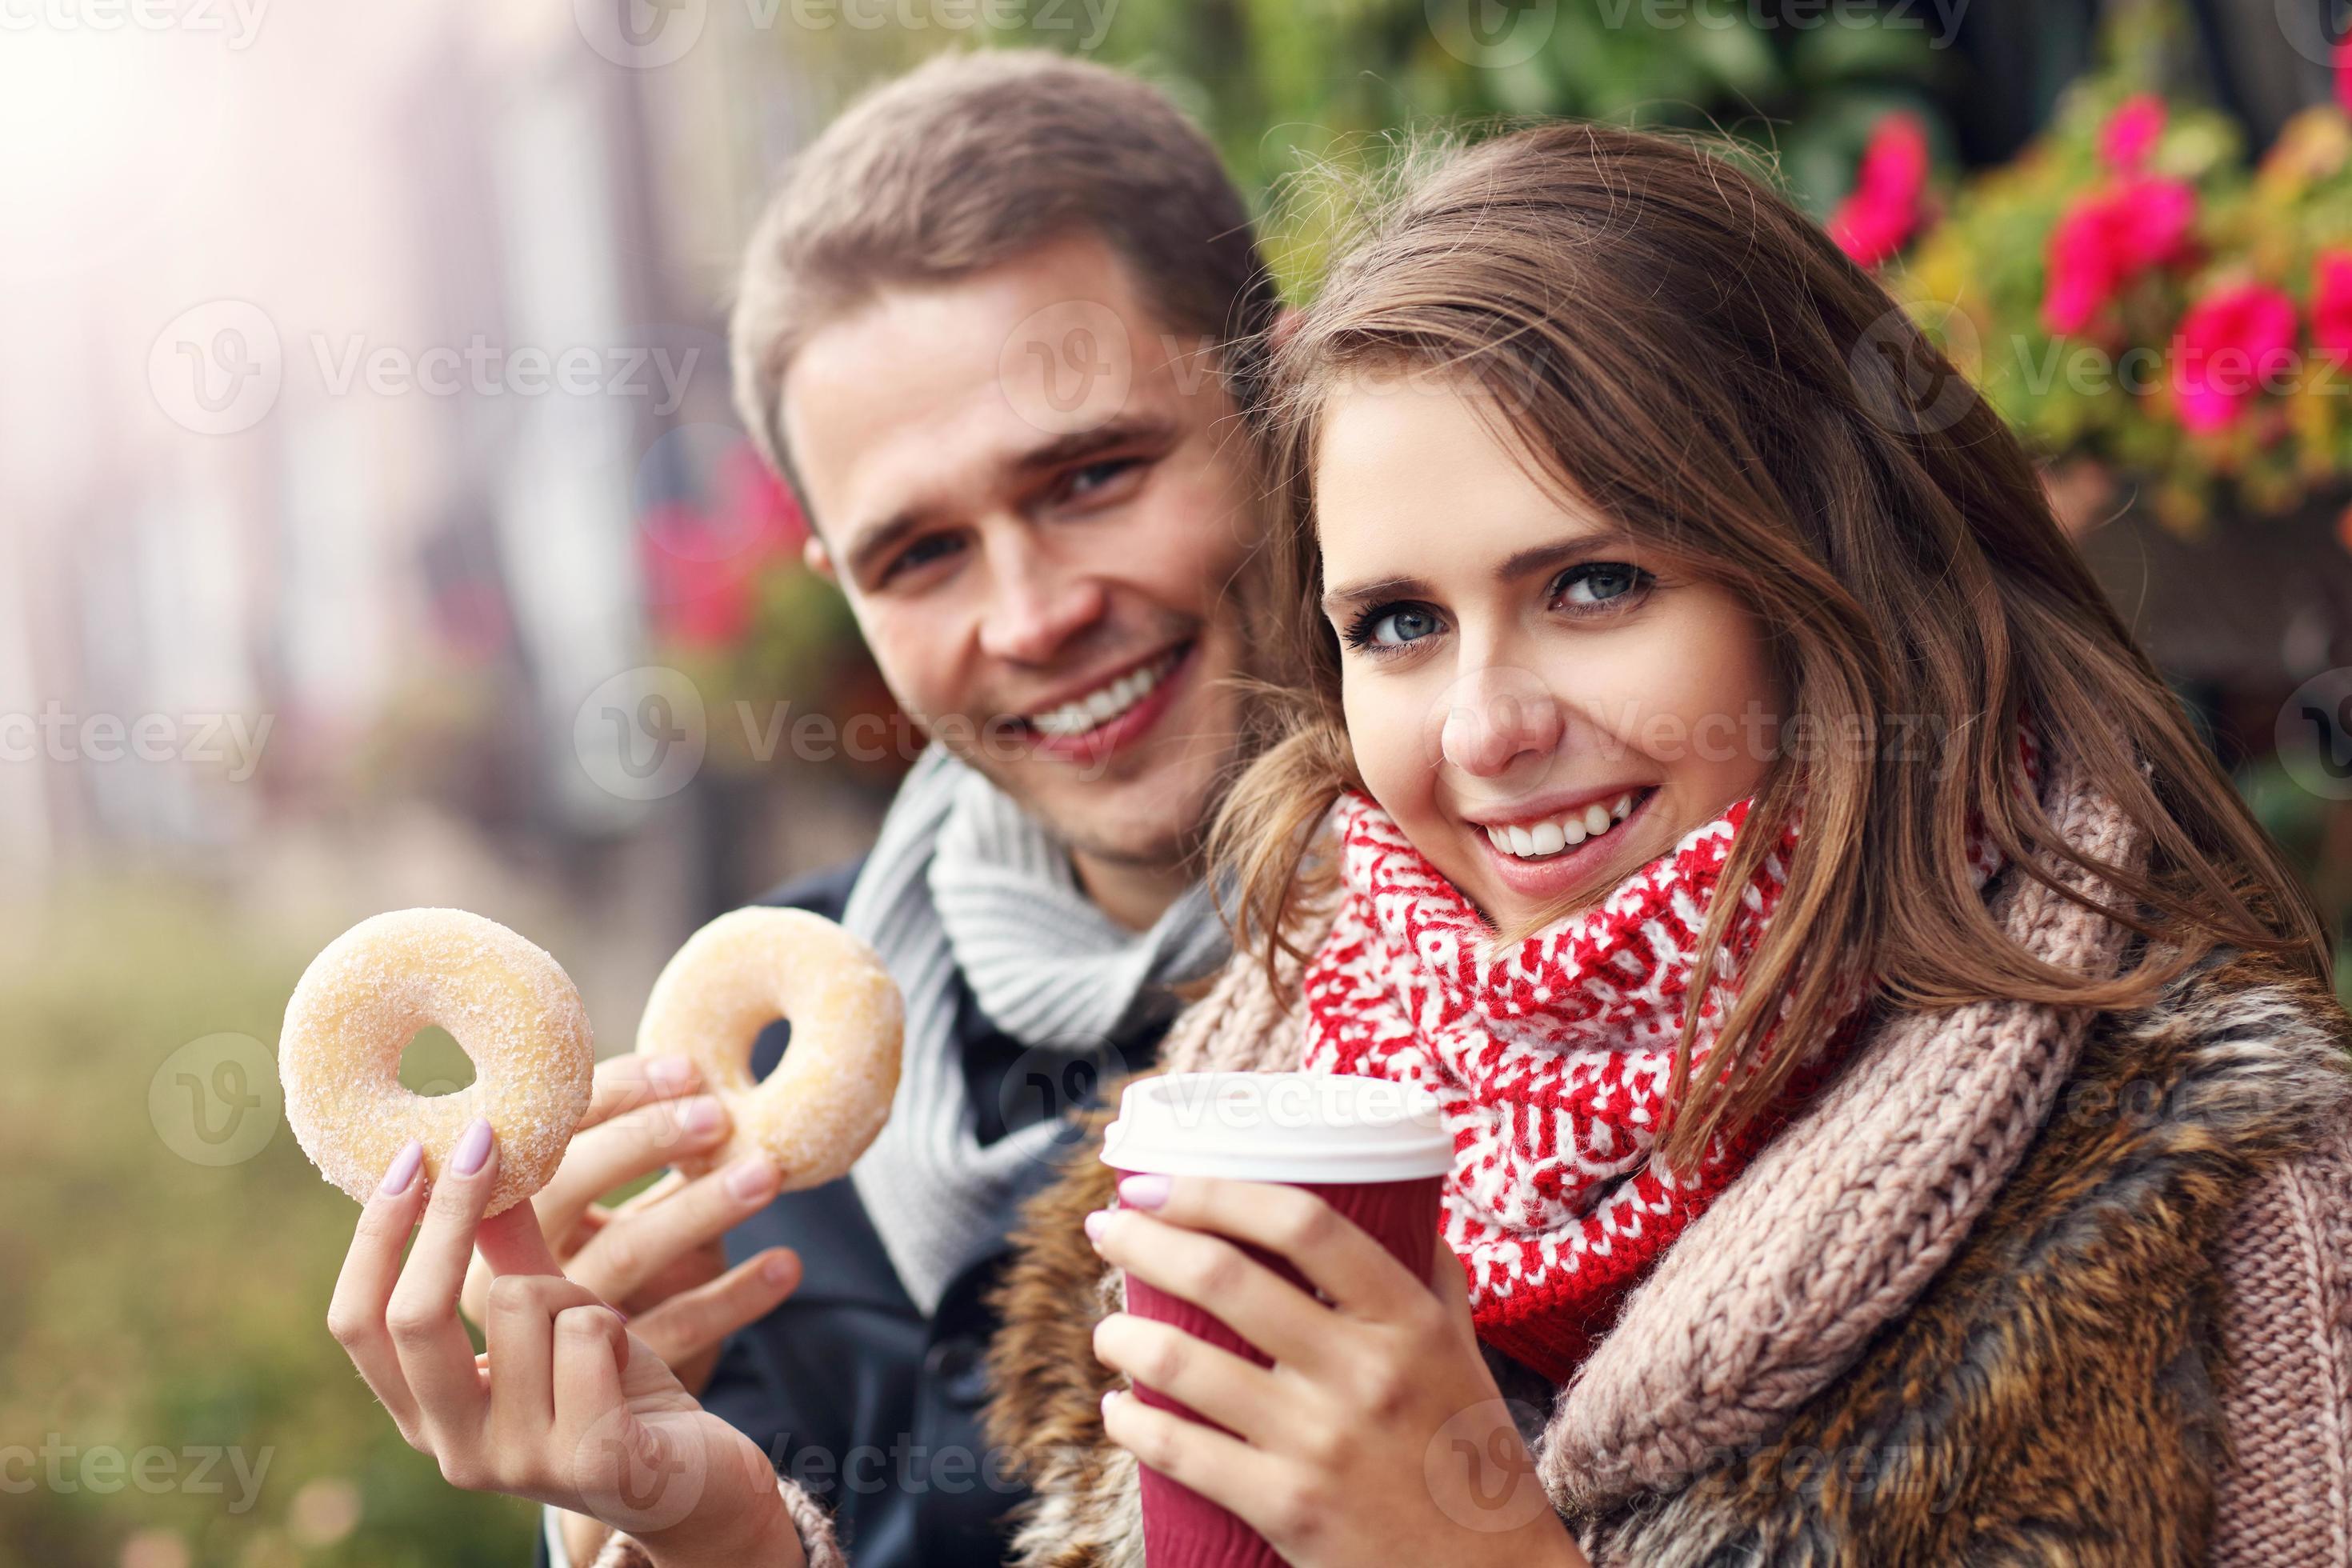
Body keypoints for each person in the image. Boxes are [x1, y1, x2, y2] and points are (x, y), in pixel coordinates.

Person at [332, 119, 2352, 1566]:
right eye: (1400, 621)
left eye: (1595, 583)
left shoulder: (2201, 1152)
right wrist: (700, 1524)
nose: (1481, 723)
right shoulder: (1255, 1065)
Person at [329, 48, 1278, 1568]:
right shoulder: (747, 1138)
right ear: (840, 585)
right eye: (922, 556)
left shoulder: (1558, 935)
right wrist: (674, 1522)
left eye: (1094, 475)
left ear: (1274, 397)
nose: (1030, 615)